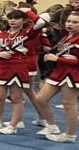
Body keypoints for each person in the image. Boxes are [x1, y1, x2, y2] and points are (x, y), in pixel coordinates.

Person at [33, 10, 79, 143]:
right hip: (59, 72)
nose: (70, 24)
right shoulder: (66, 36)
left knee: (68, 104)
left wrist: (57, 59)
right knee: (40, 99)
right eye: (69, 21)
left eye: (75, 22)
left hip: (73, 74)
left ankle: (70, 135)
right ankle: (52, 126)